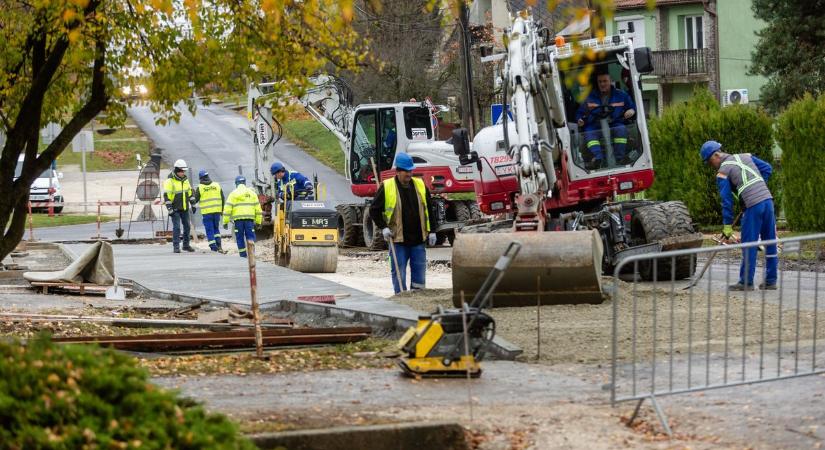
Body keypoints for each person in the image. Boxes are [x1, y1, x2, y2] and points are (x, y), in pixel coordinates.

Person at [701, 140, 778, 291]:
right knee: (770, 243)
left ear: (716, 155)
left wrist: (727, 225)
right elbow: (767, 169)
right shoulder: (745, 156)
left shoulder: (722, 172)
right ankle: (771, 281)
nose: (712, 166)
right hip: (768, 201)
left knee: (748, 244)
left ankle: (746, 282)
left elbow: (726, 200)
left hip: (753, 206)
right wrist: (758, 188)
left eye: (711, 162)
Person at [369, 153, 438, 293]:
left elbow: (429, 209)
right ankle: (401, 301)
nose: (409, 174)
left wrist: (433, 231)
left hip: (418, 240)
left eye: (411, 171)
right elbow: (374, 210)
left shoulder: (419, 184)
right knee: (399, 274)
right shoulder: (387, 186)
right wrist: (383, 227)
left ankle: (418, 301)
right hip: (398, 241)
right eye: (406, 171)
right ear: (398, 171)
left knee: (419, 276)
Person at [575, 72, 636, 168]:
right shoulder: (589, 97)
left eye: (605, 81)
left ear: (611, 81)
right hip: (595, 125)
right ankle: (599, 160)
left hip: (614, 123)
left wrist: (631, 110)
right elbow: (579, 113)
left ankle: (619, 159)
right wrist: (579, 120)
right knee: (589, 133)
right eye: (600, 82)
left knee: (621, 129)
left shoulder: (621, 95)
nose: (602, 84)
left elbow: (632, 106)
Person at [223, 175, 262, 258]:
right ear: (244, 183)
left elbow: (227, 209)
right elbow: (258, 209)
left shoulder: (233, 194)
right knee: (250, 237)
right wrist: (258, 221)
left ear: (236, 184)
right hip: (249, 221)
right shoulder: (252, 194)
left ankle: (243, 256)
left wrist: (225, 222)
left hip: (238, 221)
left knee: (239, 238)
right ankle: (251, 255)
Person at [163, 159, 194, 253]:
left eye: (184, 171)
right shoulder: (170, 181)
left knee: (187, 226)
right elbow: (167, 196)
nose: (183, 172)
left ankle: (186, 245)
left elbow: (190, 192)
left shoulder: (185, 180)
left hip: (184, 208)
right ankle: (176, 246)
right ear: (177, 170)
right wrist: (169, 209)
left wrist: (193, 204)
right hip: (175, 208)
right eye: (181, 171)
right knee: (177, 227)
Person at [191, 169, 225, 252]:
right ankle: (219, 245)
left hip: (207, 213)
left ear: (200, 178)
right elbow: (222, 198)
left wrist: (192, 195)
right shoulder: (216, 185)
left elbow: (195, 200)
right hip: (217, 211)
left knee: (209, 230)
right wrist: (222, 210)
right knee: (216, 229)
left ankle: (213, 247)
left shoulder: (200, 187)